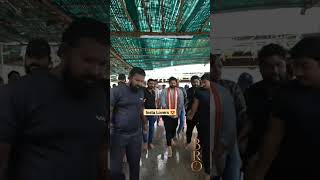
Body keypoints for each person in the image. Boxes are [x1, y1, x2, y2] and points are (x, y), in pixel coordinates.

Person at [0, 17, 108, 180]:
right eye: (87, 60)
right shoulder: (19, 93)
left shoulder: (99, 96)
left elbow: (101, 151)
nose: (96, 71)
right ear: (63, 52)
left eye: (102, 64)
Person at [247, 36, 320, 180]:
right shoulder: (287, 92)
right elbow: (273, 137)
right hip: (288, 170)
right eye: (295, 66)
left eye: (304, 66)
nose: (298, 73)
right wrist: (259, 172)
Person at [243, 44, 287, 179]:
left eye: (279, 65)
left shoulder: (295, 92)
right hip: (254, 157)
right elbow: (249, 121)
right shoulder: (252, 92)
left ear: (286, 65)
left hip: (288, 159)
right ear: (260, 68)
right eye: (269, 66)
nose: (275, 70)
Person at [211, 55, 246, 180]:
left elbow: (242, 114)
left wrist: (240, 138)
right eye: (212, 66)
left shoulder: (231, 87)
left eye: (219, 66)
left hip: (230, 142)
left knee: (232, 174)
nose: (217, 70)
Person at [110, 67, 147, 180]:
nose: (140, 83)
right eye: (137, 80)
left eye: (142, 81)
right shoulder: (116, 91)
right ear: (129, 78)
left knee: (135, 165)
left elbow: (141, 108)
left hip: (136, 135)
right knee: (115, 168)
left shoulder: (140, 91)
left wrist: (145, 123)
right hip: (118, 135)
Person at [187, 73, 211, 178]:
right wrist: (191, 115)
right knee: (205, 144)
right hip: (203, 121)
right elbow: (194, 105)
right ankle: (207, 171)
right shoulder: (199, 92)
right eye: (202, 81)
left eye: (204, 82)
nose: (202, 83)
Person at [160, 77, 184, 157]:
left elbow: (181, 103)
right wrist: (168, 112)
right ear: (169, 83)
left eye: (174, 83)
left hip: (176, 114)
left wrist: (177, 113)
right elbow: (162, 102)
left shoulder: (179, 91)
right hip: (166, 114)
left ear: (176, 83)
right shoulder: (164, 91)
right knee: (167, 129)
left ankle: (173, 136)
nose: (173, 84)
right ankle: (169, 147)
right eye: (171, 83)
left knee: (174, 127)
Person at [185, 75, 200, 149]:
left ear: (199, 81)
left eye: (197, 82)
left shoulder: (202, 90)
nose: (195, 84)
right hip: (189, 113)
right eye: (194, 82)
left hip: (199, 114)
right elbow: (186, 102)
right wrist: (186, 110)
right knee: (189, 130)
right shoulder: (188, 91)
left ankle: (198, 146)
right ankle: (188, 142)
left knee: (200, 131)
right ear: (191, 82)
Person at [142, 79, 157, 150]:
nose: (152, 85)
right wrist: (143, 114)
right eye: (150, 83)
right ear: (147, 83)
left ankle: (150, 142)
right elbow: (141, 103)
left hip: (153, 112)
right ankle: (145, 142)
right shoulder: (143, 91)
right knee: (144, 128)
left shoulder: (153, 92)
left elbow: (154, 103)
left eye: (153, 84)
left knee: (152, 128)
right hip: (144, 112)